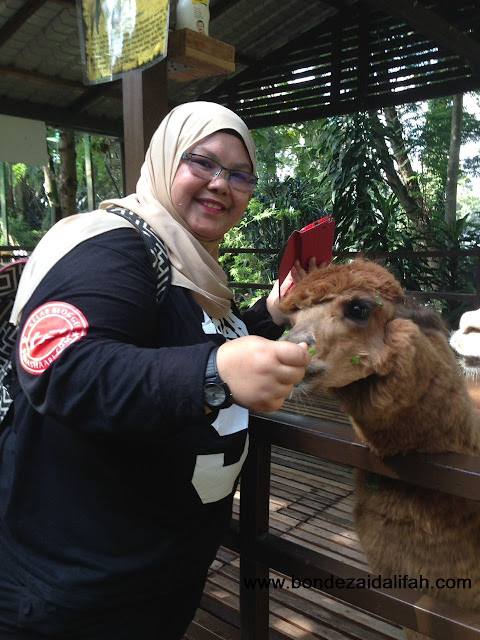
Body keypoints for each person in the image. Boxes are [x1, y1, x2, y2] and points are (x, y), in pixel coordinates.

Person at [0, 101, 314, 639]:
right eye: (203, 162)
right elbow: (63, 367)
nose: (221, 184)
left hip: (154, 577)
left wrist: (270, 314)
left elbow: (192, 340)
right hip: (73, 590)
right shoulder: (116, 246)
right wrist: (212, 373)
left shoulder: (189, 263)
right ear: (165, 159)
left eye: (239, 175)